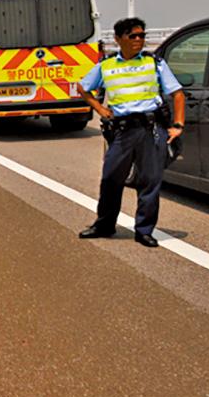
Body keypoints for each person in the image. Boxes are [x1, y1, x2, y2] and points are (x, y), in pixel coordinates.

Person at [78, 17, 185, 247]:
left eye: (142, 36)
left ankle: (144, 230)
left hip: (150, 129)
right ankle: (104, 225)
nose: (139, 40)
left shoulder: (153, 63)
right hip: (122, 131)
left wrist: (177, 125)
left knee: (150, 181)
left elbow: (177, 93)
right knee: (110, 178)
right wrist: (101, 109)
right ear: (118, 39)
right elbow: (83, 88)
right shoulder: (106, 66)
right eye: (133, 36)